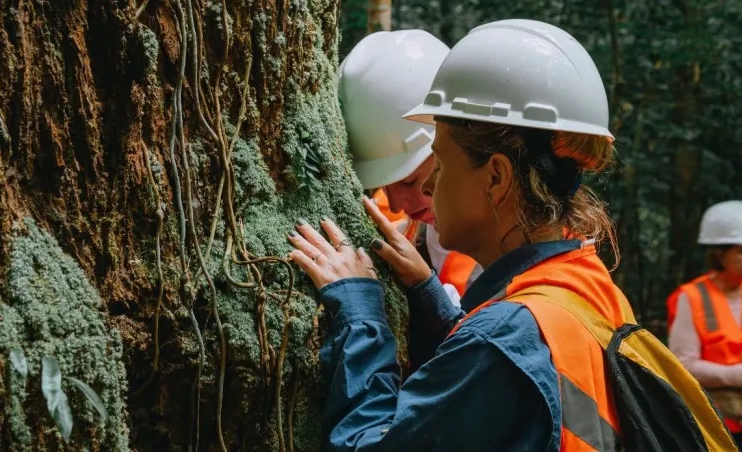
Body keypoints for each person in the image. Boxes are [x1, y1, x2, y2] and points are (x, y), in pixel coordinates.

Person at [285, 20, 730, 450]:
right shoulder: (585, 283)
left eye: (439, 163)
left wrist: (361, 312)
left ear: (495, 177)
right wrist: (426, 296)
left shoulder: (501, 339)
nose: (424, 188)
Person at [339, 30, 482, 308]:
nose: (396, 203)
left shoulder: (528, 239)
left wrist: (425, 288)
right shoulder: (386, 219)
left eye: (407, 181)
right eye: (382, 184)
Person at [667, 200, 742, 445]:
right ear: (719, 253)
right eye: (741, 250)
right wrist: (736, 375)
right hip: (717, 424)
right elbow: (683, 366)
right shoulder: (692, 298)